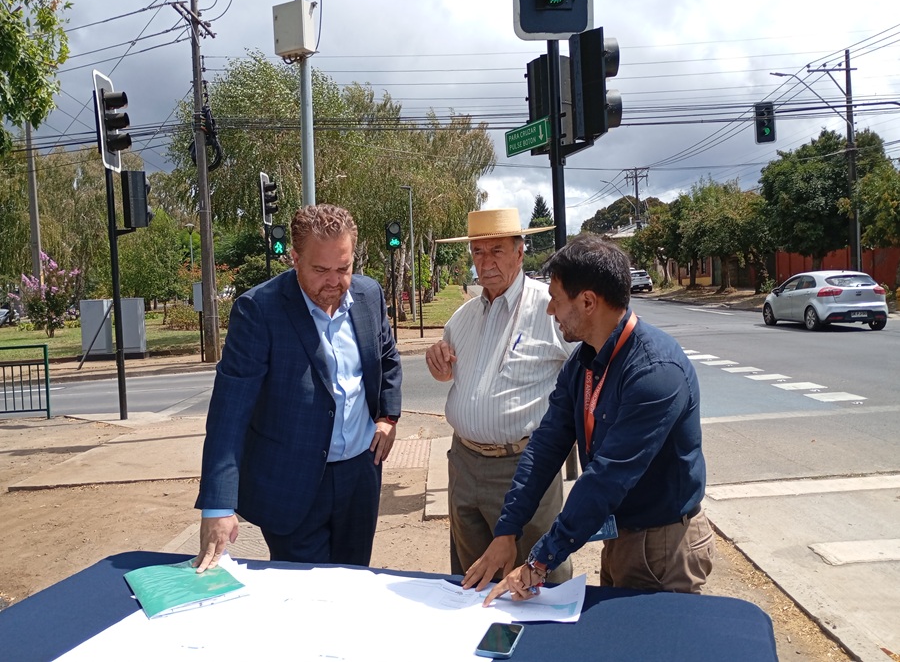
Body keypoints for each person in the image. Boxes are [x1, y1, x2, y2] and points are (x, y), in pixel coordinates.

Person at [462, 234, 713, 602]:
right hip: (622, 536)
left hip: (663, 546)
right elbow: (546, 445)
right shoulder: (586, 361)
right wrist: (507, 530)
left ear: (588, 302)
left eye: (556, 300)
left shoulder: (654, 372)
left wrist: (540, 561)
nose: (550, 311)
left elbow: (606, 479)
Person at [193, 203, 402, 572]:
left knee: (354, 583)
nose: (334, 282)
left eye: (344, 268)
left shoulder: (369, 296)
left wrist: (388, 416)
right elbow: (230, 412)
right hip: (292, 483)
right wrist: (218, 506)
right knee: (306, 600)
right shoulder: (259, 311)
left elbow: (386, 356)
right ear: (294, 258)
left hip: (359, 478)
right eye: (320, 270)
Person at [426, 208, 576, 582]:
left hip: (524, 467)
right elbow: (448, 372)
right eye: (478, 252)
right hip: (464, 464)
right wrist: (437, 363)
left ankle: (545, 643)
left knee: (539, 577)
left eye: (496, 251)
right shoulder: (461, 318)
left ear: (520, 252)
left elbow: (591, 371)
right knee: (471, 577)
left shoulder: (550, 308)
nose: (486, 262)